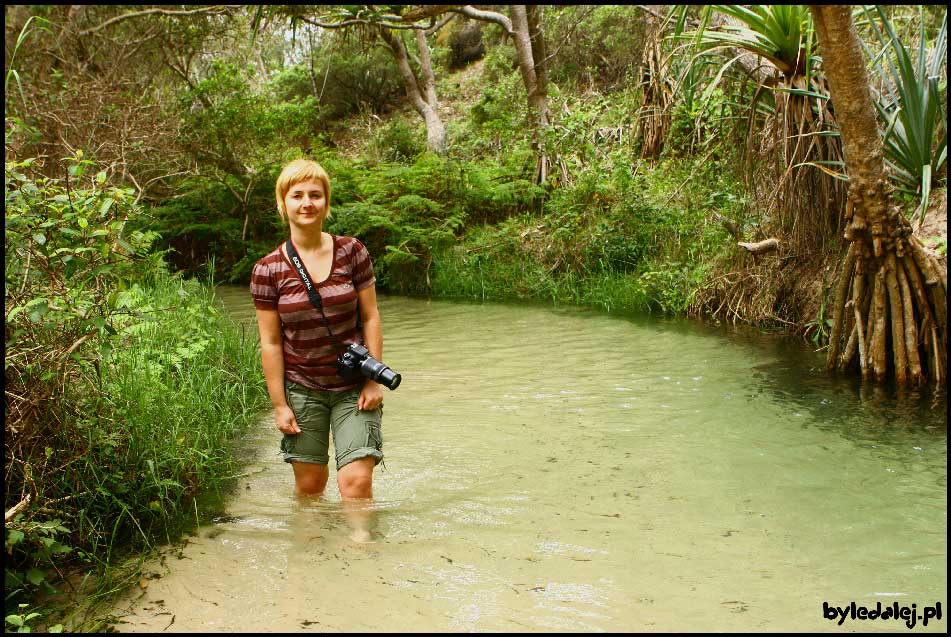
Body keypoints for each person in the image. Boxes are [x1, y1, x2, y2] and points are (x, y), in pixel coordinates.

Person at [250, 159, 386, 540]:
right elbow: (271, 342)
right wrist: (279, 404)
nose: (306, 203)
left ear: (326, 203)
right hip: (302, 387)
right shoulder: (268, 270)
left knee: (356, 482)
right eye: (297, 195)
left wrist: (374, 378)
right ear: (283, 204)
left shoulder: (352, 252)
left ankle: (362, 552)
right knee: (310, 488)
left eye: (315, 195)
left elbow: (371, 317)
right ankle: (313, 557)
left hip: (354, 387)